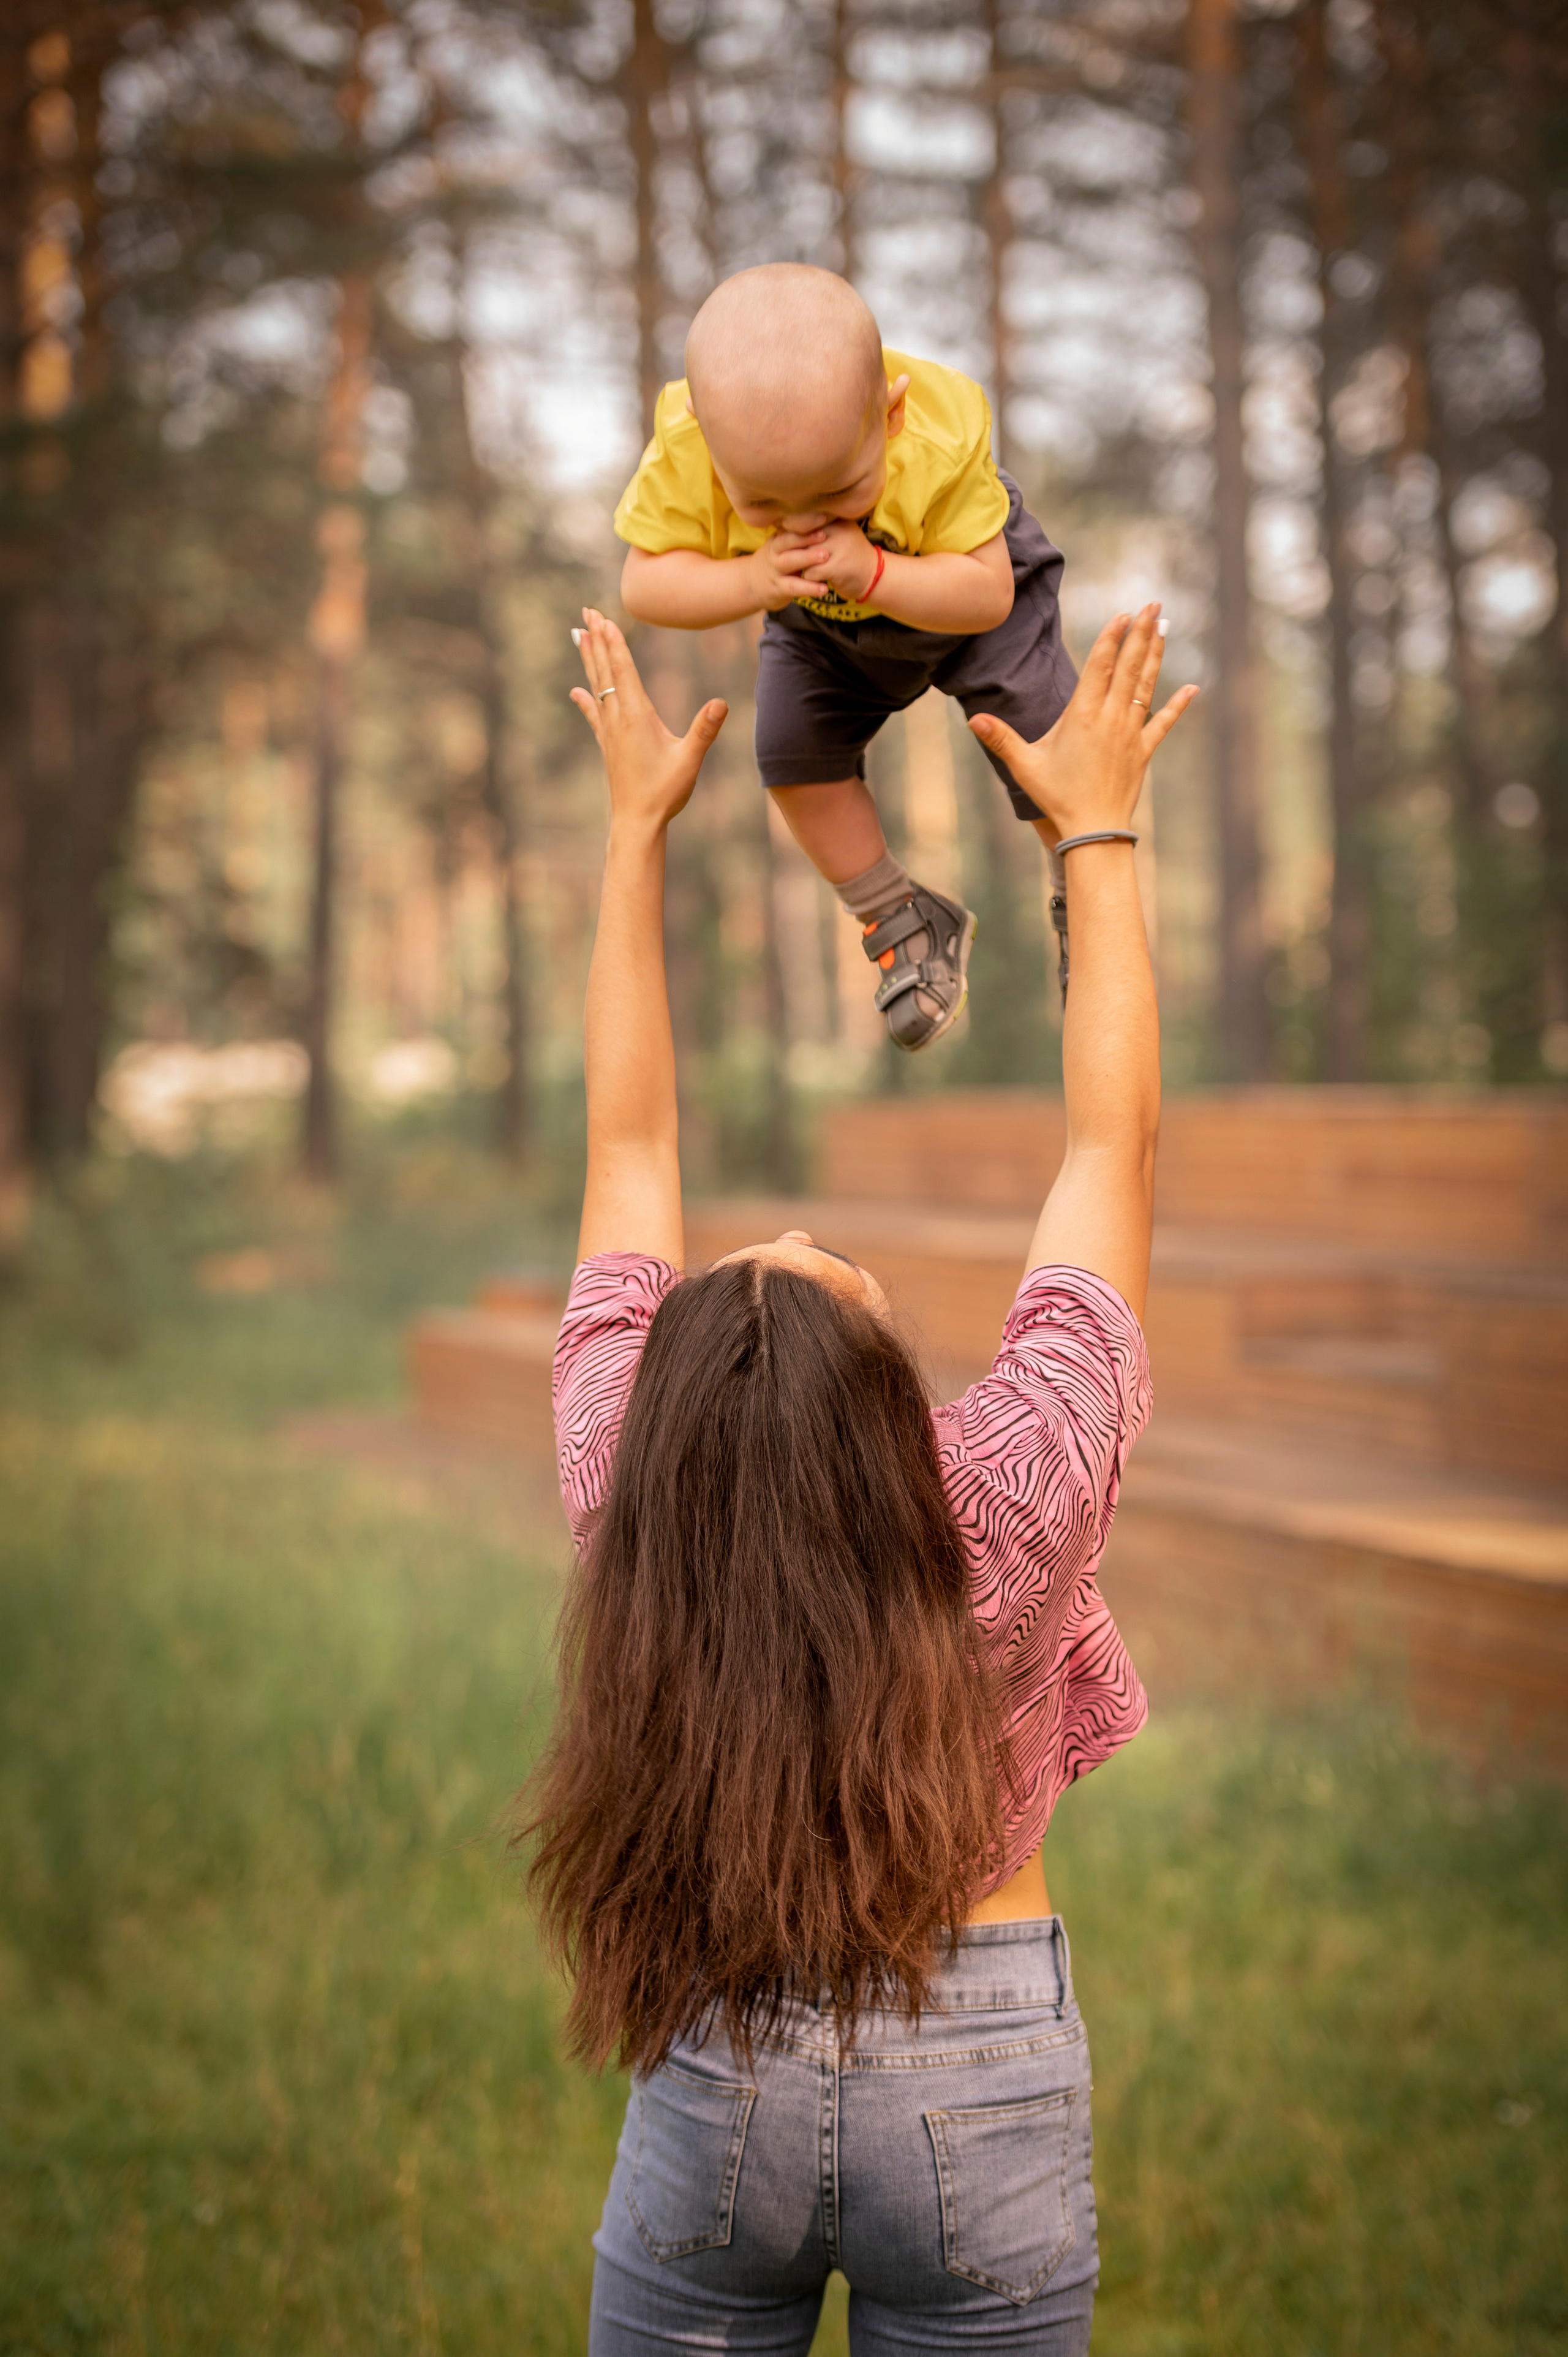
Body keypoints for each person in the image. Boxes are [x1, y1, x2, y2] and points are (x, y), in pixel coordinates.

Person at [521, 602, 1196, 2353]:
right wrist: (1097, 832)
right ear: (881, 1387)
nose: (803, 1230)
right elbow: (1112, 1143)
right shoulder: (1011, 1488)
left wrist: (631, 839)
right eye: (818, 1258)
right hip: (981, 2057)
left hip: (715, 2054)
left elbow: (626, 1146)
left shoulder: (631, 1484)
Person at [613, 263, 1082, 1051]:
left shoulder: (936, 437)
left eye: (839, 494)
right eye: (762, 505)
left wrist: (872, 569)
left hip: (958, 590)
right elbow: (645, 584)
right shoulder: (690, 448)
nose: (804, 523)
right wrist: (753, 577)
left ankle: (1087, 898)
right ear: (703, 430)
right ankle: (902, 917)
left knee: (1050, 748)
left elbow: (988, 594)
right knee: (790, 754)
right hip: (818, 623)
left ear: (890, 416)